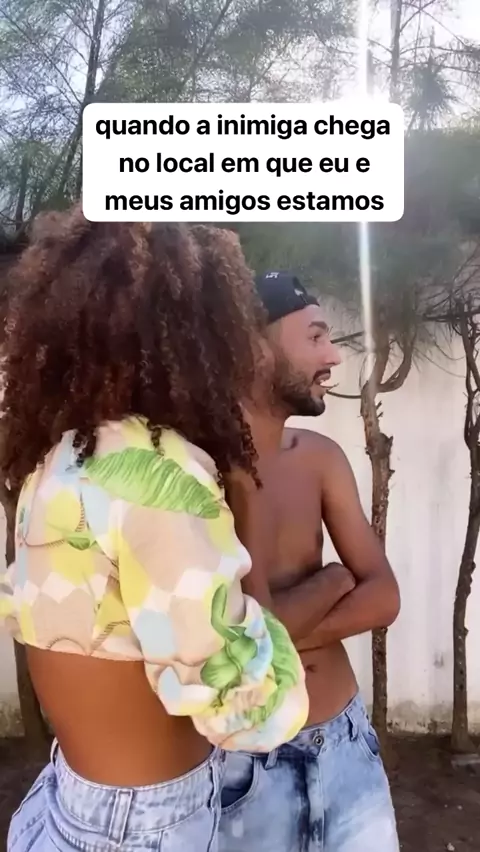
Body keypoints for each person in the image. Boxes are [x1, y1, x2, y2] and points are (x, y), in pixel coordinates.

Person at [0, 219, 309, 852]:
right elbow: (251, 712)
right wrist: (247, 510)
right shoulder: (160, 474)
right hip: (147, 826)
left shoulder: (56, 463)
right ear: (196, 334)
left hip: (63, 800)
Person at [219, 270, 401, 852]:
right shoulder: (195, 473)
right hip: (240, 769)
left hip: (345, 745)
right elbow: (227, 646)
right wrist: (332, 581)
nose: (333, 357)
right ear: (254, 348)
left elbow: (384, 597)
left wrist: (267, 642)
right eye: (316, 337)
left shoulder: (319, 457)